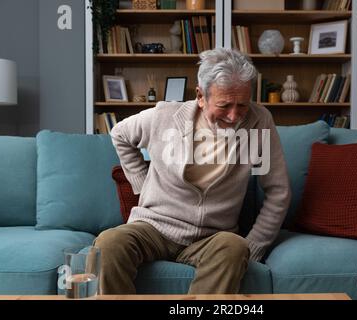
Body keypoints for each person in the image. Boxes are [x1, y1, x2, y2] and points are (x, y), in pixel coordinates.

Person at [94, 48, 291, 294]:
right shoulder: (164, 116)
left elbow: (278, 191)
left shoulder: (259, 122)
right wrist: (142, 186)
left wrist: (255, 245)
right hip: (154, 227)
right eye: (224, 105)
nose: (234, 116)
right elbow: (120, 134)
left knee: (234, 247)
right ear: (200, 96)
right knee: (108, 244)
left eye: (242, 104)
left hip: (213, 235)